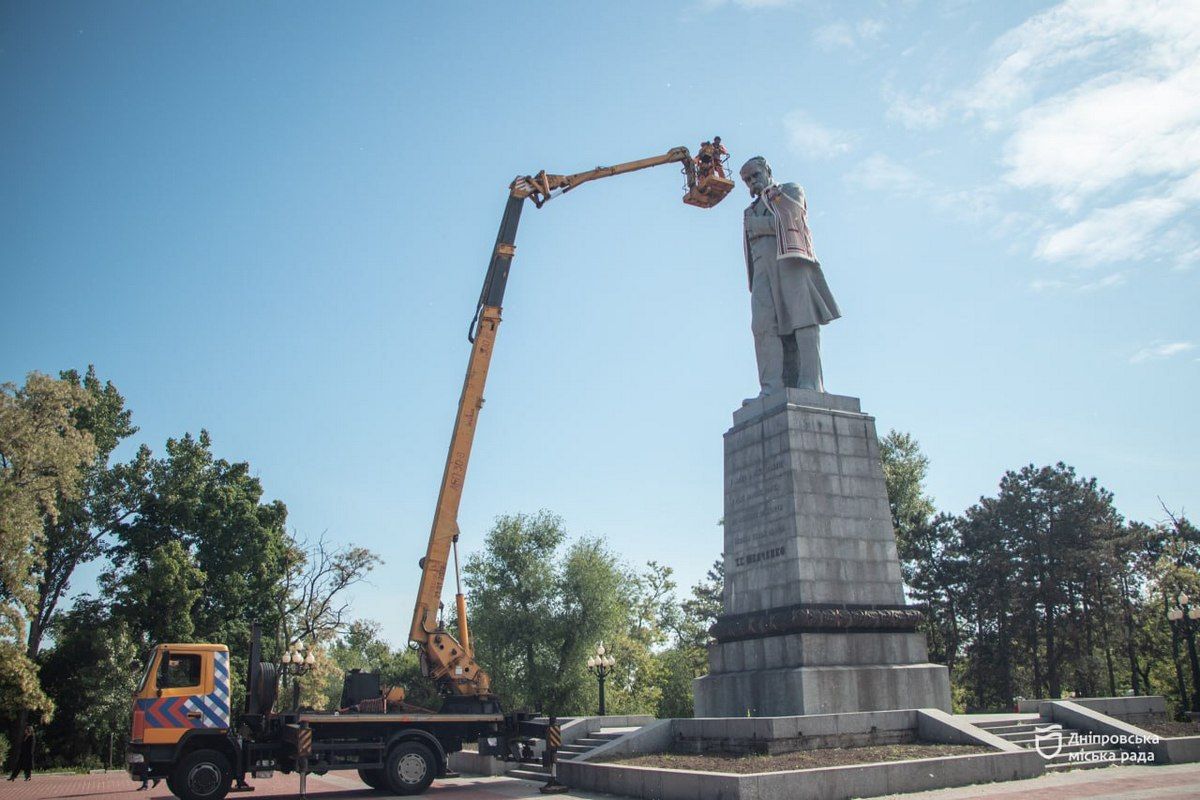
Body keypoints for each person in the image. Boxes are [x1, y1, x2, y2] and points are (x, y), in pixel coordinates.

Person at [739, 156, 840, 400]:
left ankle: (811, 383)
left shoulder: (790, 190)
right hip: (763, 272)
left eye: (755, 175)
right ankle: (771, 389)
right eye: (747, 180)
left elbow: (791, 218)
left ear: (768, 170)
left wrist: (759, 225)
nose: (752, 182)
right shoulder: (750, 210)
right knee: (762, 326)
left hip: (791, 264)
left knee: (802, 320)